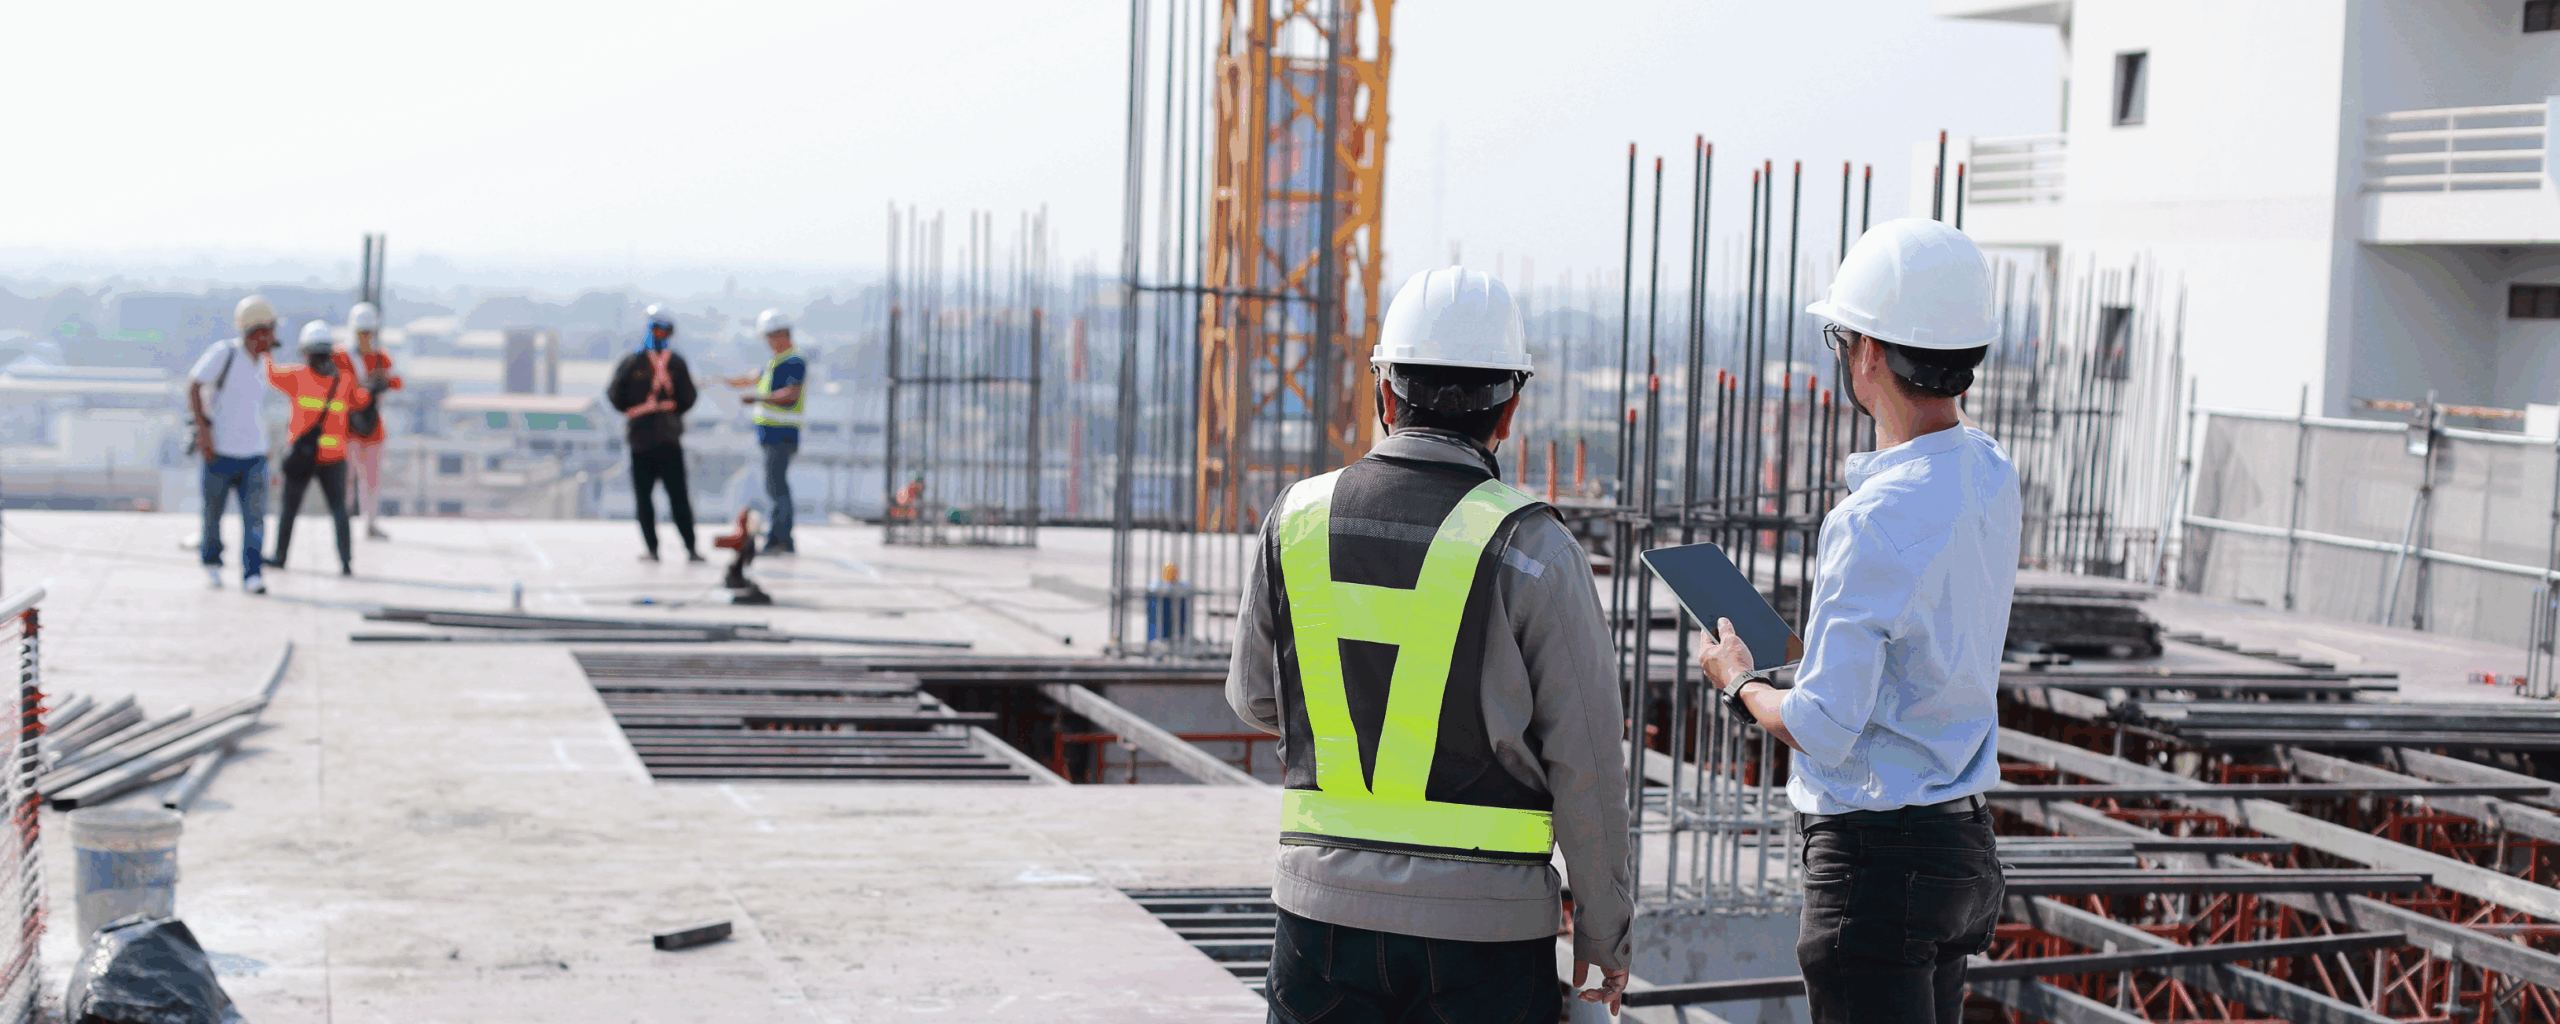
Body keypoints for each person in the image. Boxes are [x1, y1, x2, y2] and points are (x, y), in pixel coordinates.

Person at [1227, 266, 1633, 1023]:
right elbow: (1589, 763)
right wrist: (1606, 935)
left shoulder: (1297, 520)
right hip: (1484, 942)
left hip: (1320, 925)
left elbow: (1254, 697)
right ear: (1509, 410)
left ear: (1384, 393)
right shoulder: (1534, 547)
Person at [1693, 218, 2021, 1024]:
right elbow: (1925, 642)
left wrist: (1740, 683)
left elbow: (1824, 726)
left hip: (1879, 867)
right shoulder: (1990, 471)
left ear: (1870, 352)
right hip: (1961, 851)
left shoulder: (1873, 517)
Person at [265, 319, 372, 576]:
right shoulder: (344, 381)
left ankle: (280, 558)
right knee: (339, 512)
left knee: (289, 511)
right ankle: (346, 563)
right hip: (334, 458)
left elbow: (270, 373)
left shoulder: (297, 377)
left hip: (302, 456)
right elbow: (361, 400)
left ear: (306, 352)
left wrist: (268, 348)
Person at [189, 295, 280, 594]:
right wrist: (203, 431)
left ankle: (252, 573)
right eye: (271, 330)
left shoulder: (263, 363)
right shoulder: (224, 354)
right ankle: (212, 562)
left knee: (255, 521)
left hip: (254, 454)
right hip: (220, 453)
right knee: (213, 515)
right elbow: (194, 384)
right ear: (258, 331)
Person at [607, 303, 702, 562]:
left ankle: (674, 548)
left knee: (669, 498)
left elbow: (616, 396)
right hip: (657, 439)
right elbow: (688, 398)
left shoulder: (637, 361)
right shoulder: (666, 362)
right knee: (660, 498)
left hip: (651, 439)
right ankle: (675, 548)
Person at [725, 308, 805, 555]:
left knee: (777, 489)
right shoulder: (776, 362)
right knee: (775, 486)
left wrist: (758, 398)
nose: (767, 342)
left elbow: (790, 395)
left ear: (780, 334)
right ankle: (780, 537)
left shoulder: (793, 361)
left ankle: (780, 538)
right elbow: (750, 378)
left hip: (782, 435)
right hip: (772, 435)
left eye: (769, 337)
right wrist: (719, 381)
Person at [340, 302, 402, 540]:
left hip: (373, 427)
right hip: (349, 428)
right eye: (362, 332)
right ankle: (343, 522)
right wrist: (363, 388)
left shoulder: (381, 357)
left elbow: (397, 382)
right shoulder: (342, 357)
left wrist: (383, 381)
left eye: (369, 332)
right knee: (347, 479)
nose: (366, 337)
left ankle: (371, 523)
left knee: (372, 480)